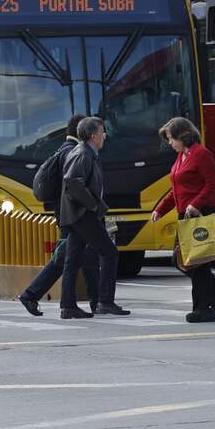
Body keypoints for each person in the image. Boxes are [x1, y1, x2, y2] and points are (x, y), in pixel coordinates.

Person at [18, 115, 99, 317]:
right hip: (72, 216)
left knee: (86, 253)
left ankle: (97, 300)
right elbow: (72, 187)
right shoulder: (73, 152)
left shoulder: (64, 149)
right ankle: (31, 295)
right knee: (64, 257)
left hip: (69, 214)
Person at [152, 118, 215, 323]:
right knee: (181, 261)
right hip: (185, 215)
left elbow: (212, 184)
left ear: (182, 135)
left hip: (200, 212)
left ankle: (203, 308)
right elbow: (176, 189)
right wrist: (160, 209)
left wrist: (196, 203)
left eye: (171, 138)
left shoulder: (201, 154)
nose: (170, 143)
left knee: (198, 263)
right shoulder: (181, 157)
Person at [58, 117, 130, 319]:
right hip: (82, 215)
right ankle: (104, 301)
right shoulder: (83, 154)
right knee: (109, 252)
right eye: (102, 131)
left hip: (75, 214)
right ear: (93, 135)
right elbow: (72, 182)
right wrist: (93, 205)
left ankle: (68, 306)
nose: (104, 135)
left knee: (72, 260)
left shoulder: (86, 152)